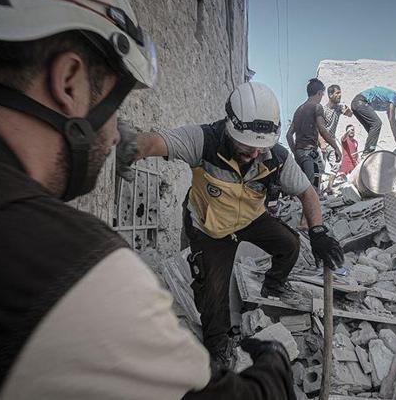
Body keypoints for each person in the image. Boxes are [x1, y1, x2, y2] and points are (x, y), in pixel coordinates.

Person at [0, 0, 298, 399]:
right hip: (209, 234)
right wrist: (273, 372)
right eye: (114, 104)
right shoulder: (75, 275)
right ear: (69, 81)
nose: (110, 134)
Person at [116, 81, 345, 370]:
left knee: (290, 244)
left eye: (259, 150)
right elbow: (157, 142)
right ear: (230, 128)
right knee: (213, 293)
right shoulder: (204, 140)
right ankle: (217, 348)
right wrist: (132, 146)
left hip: (249, 218)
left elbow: (307, 192)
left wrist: (318, 231)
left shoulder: (275, 157)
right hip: (209, 227)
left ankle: (273, 285)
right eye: (246, 148)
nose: (253, 155)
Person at [286, 78, 342, 193]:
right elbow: (322, 129)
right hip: (309, 154)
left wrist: (296, 152)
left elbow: (288, 135)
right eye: (322, 94)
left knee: (306, 187)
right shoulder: (317, 107)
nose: (322, 97)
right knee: (310, 191)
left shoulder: (299, 110)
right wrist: (336, 147)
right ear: (319, 93)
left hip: (301, 154)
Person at [350, 86, 396, 153]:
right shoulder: (395, 97)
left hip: (355, 104)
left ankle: (368, 150)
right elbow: (392, 120)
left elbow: (392, 123)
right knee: (377, 124)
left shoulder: (389, 103)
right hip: (360, 102)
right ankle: (368, 151)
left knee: (373, 131)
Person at [320, 84, 353, 194]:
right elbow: (318, 128)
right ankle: (317, 191)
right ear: (330, 95)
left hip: (332, 142)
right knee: (320, 167)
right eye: (337, 93)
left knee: (336, 165)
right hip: (322, 142)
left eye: (340, 92)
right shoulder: (323, 110)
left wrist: (348, 111)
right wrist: (322, 143)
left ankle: (329, 187)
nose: (340, 95)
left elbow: (349, 115)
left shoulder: (339, 108)